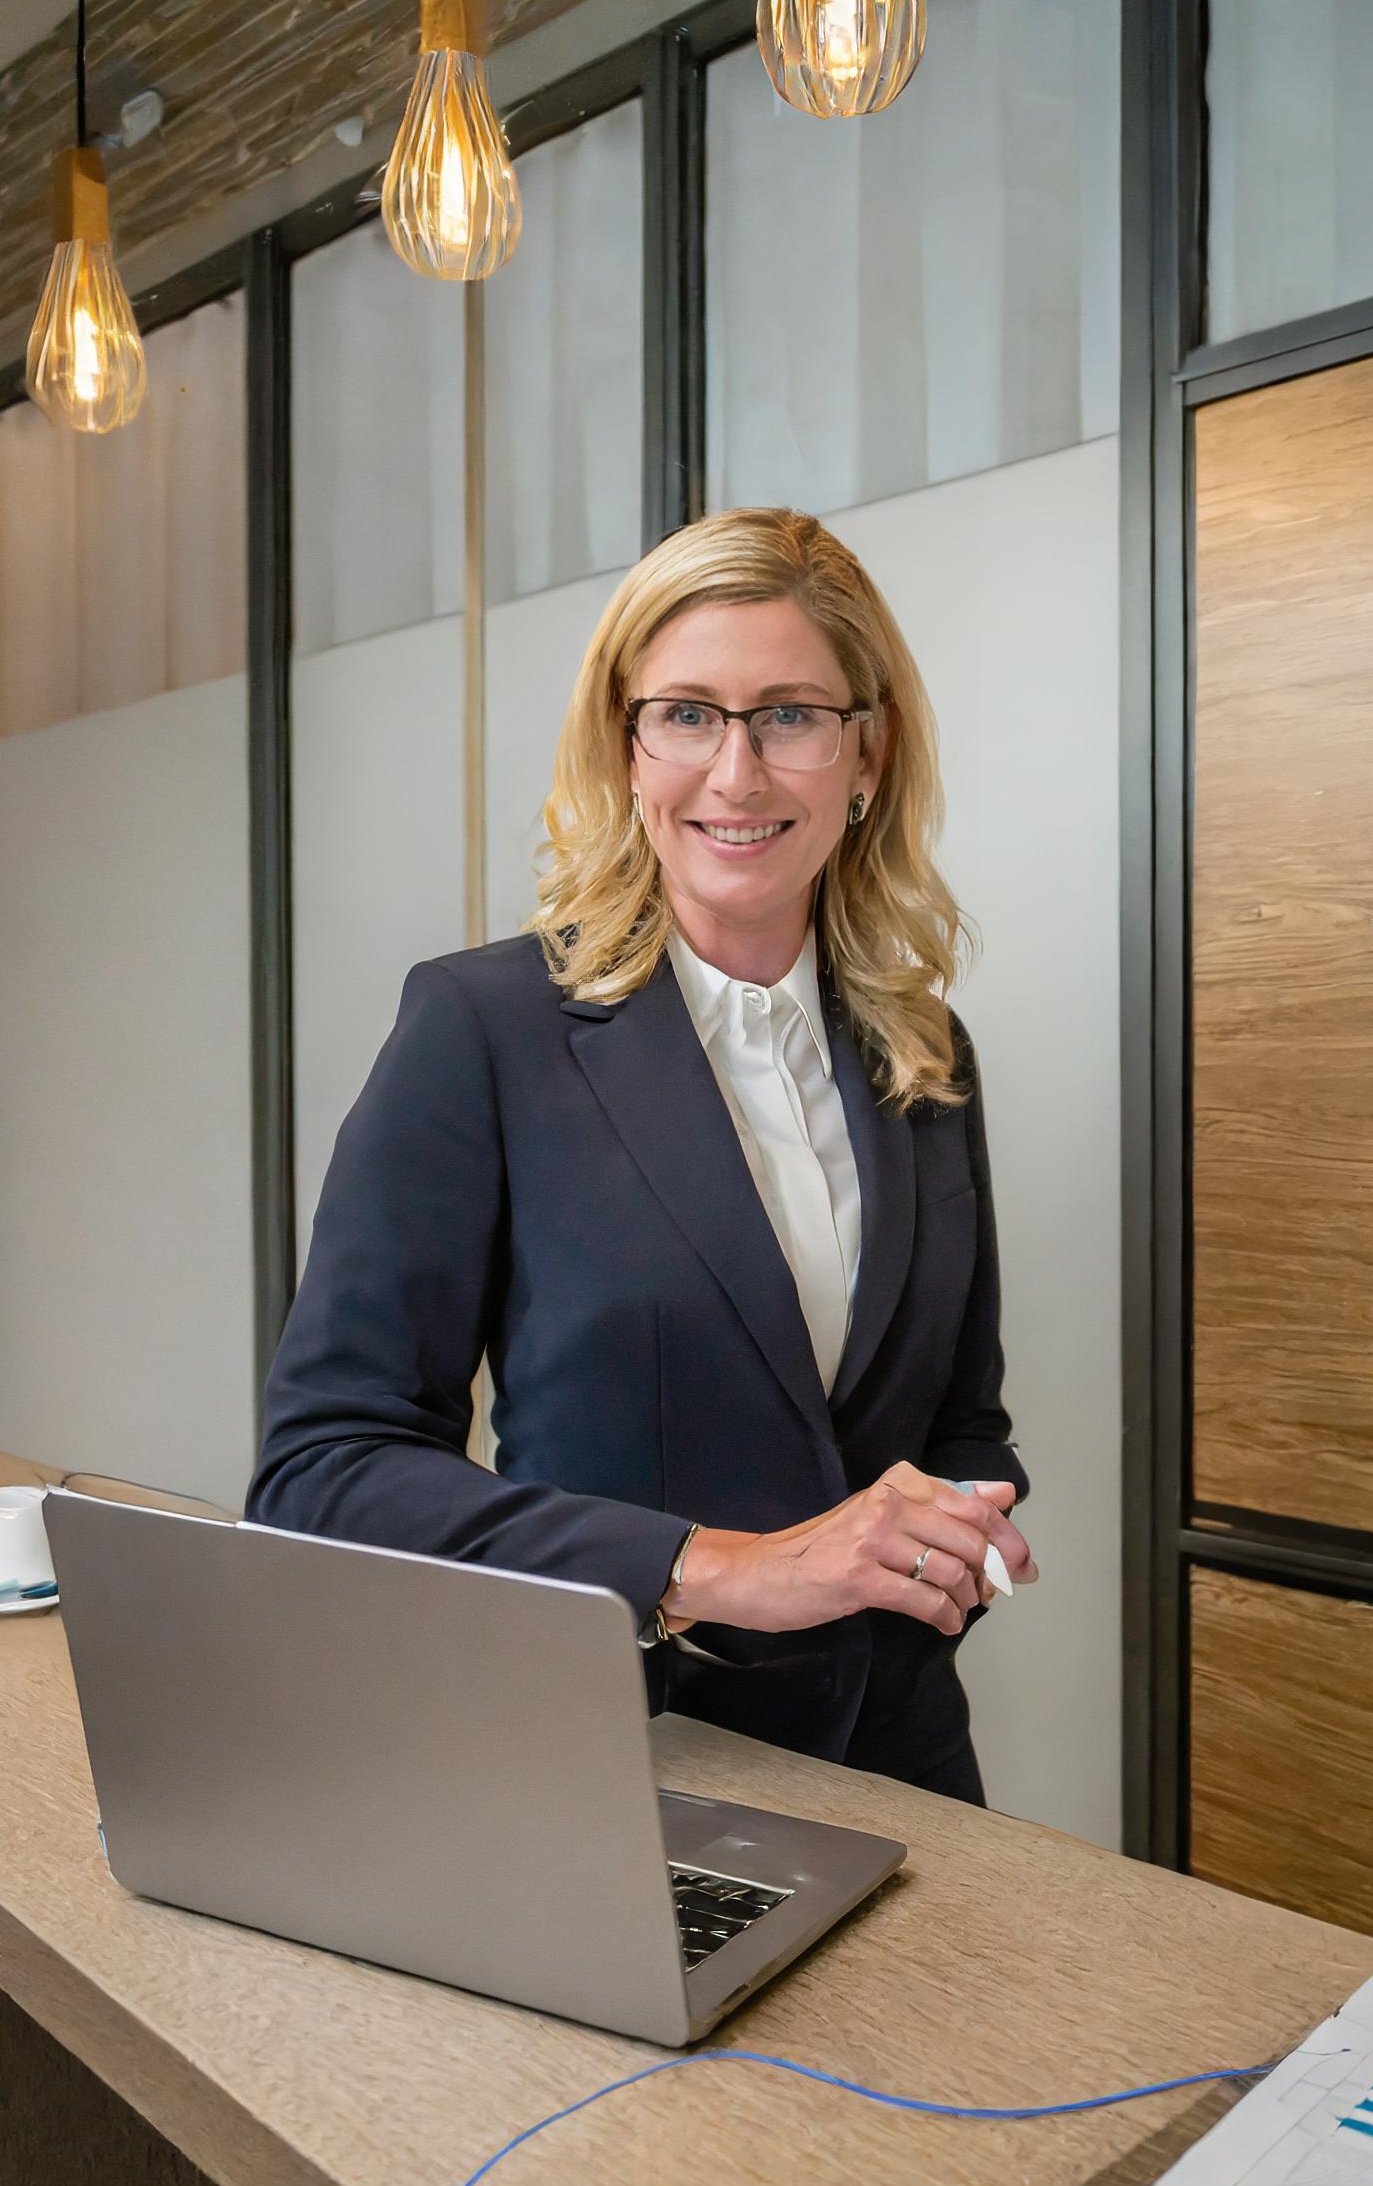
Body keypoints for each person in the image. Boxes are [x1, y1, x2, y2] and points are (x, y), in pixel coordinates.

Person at [247, 506, 1037, 1804]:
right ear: (625, 748)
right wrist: (722, 1570)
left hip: (906, 1772)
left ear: (868, 752)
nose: (737, 774)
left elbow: (963, 1426)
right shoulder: (483, 1030)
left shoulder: (926, 1055)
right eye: (686, 715)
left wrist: (966, 1528)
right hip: (612, 1768)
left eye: (790, 716)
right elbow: (322, 1474)